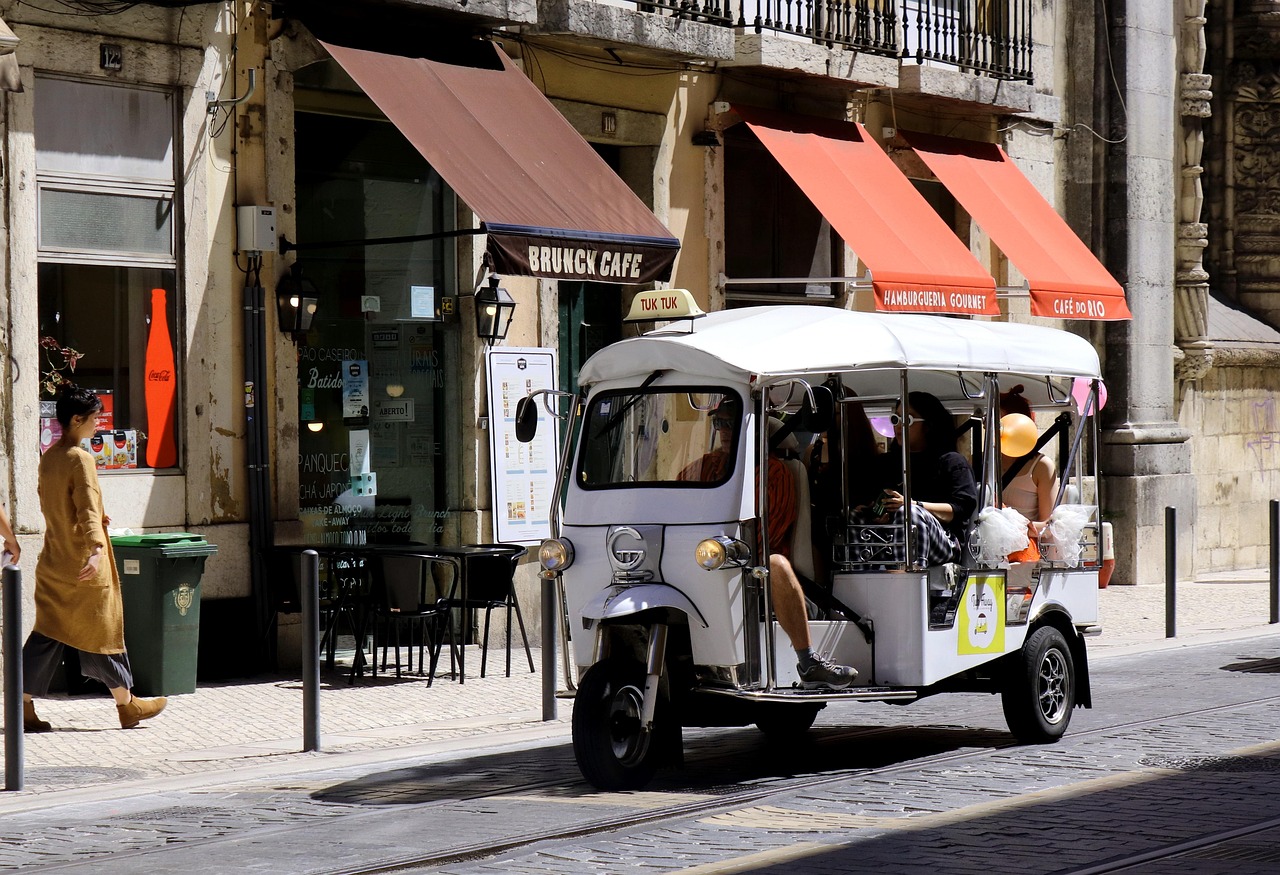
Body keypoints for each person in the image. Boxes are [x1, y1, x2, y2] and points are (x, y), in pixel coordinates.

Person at [22, 386, 167, 732]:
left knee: (47, 635)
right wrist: (97, 547)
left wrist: (97, 519)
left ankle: (22, 706)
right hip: (84, 563)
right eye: (94, 417)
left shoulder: (50, 457)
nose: (99, 422)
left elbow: (56, 505)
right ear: (76, 420)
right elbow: (85, 505)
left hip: (55, 559)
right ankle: (127, 706)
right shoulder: (80, 457)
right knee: (103, 633)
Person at [681, 406, 856, 689]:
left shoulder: (776, 472)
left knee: (775, 563)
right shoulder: (706, 465)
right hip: (705, 562)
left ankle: (808, 660)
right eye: (720, 423)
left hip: (761, 576)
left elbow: (762, 540)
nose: (724, 430)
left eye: (732, 422)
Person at [876, 391, 978, 567]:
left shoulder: (951, 461)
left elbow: (961, 508)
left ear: (929, 424)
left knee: (909, 515)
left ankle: (911, 580)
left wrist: (914, 505)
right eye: (896, 419)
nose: (899, 426)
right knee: (856, 518)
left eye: (906, 420)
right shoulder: (888, 461)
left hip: (944, 541)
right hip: (893, 536)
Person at [999, 384, 1058, 525]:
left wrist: (1010, 525)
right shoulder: (981, 461)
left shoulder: (1042, 466)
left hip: (1026, 544)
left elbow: (1048, 526)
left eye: (998, 424)